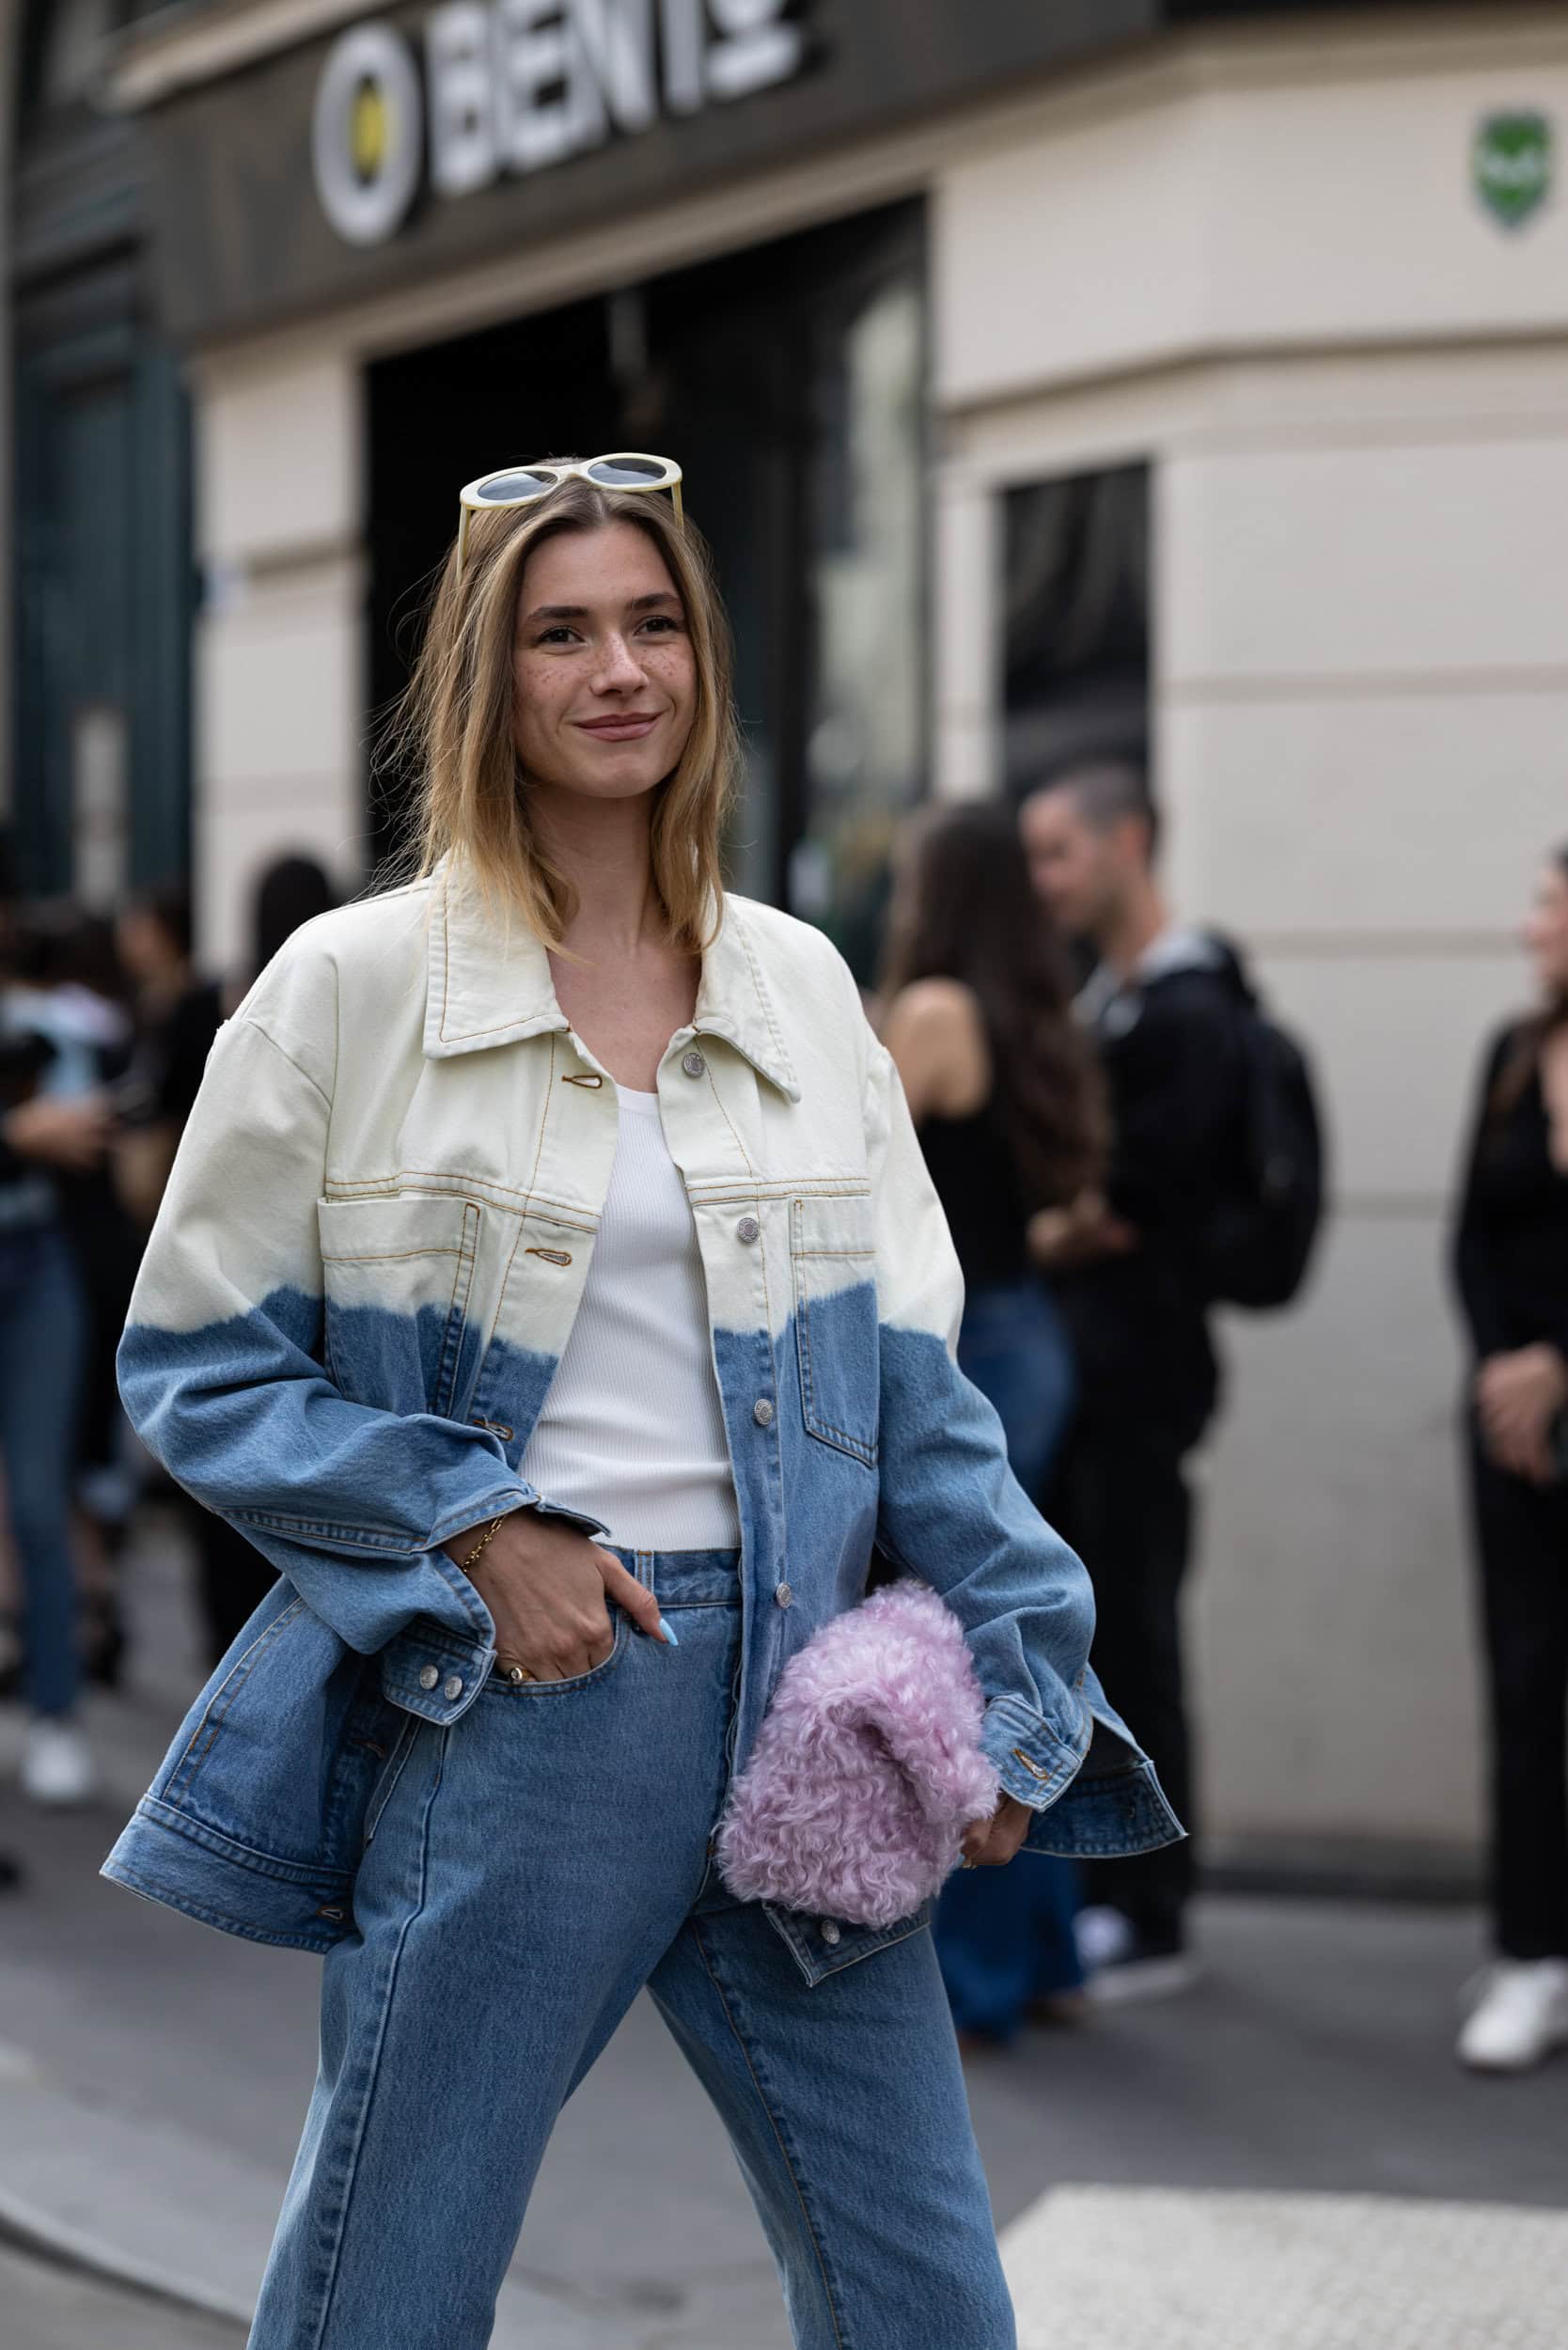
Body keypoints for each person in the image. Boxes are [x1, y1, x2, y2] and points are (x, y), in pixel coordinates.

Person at [105, 460, 1179, 2350]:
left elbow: (916, 1390)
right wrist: (471, 1529)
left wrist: (1025, 1670)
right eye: (562, 633)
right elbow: (196, 1360)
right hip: (531, 1716)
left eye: (654, 622)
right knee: (390, 2291)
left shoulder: (799, 984)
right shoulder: (353, 987)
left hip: (807, 1713)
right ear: (490, 679)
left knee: (929, 2298)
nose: (620, 669)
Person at [1019, 761, 1247, 1998]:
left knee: (1136, 1624)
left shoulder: (1187, 1010)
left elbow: (1136, 1197)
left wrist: (1057, 1226)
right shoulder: (1104, 1000)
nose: (1045, 878)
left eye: (1060, 851)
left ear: (1130, 843)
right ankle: (1112, 1893)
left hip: (1141, 1376)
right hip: (1093, 1371)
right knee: (1095, 1620)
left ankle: (1151, 1905)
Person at [879, 797, 1105, 2043]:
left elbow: (851, 1173)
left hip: (965, 1354)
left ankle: (978, 1979)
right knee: (1022, 1635)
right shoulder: (1033, 1011)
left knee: (966, 1654)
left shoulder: (933, 1012)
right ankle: (1050, 1949)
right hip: (1033, 1337)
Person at [118, 863, 340, 1667]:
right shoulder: (348, 998)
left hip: (223, 1258)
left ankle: (228, 1646)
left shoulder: (212, 1004)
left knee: (229, 1446)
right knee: (312, 1445)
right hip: (331, 1266)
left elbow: (148, 1133)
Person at [1450, 846, 1568, 2073]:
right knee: (1527, 1686)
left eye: (1550, 905)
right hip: (1509, 1432)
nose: (1534, 926)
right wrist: (1506, 1374)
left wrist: (1560, 1364)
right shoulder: (1514, 1057)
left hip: (1549, 1392)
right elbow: (1471, 1242)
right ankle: (1530, 1951)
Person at [0, 906, 111, 1804]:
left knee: (41, 1501)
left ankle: (55, 1715)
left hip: (35, 1263)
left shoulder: (45, 1024)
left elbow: (77, 1129)